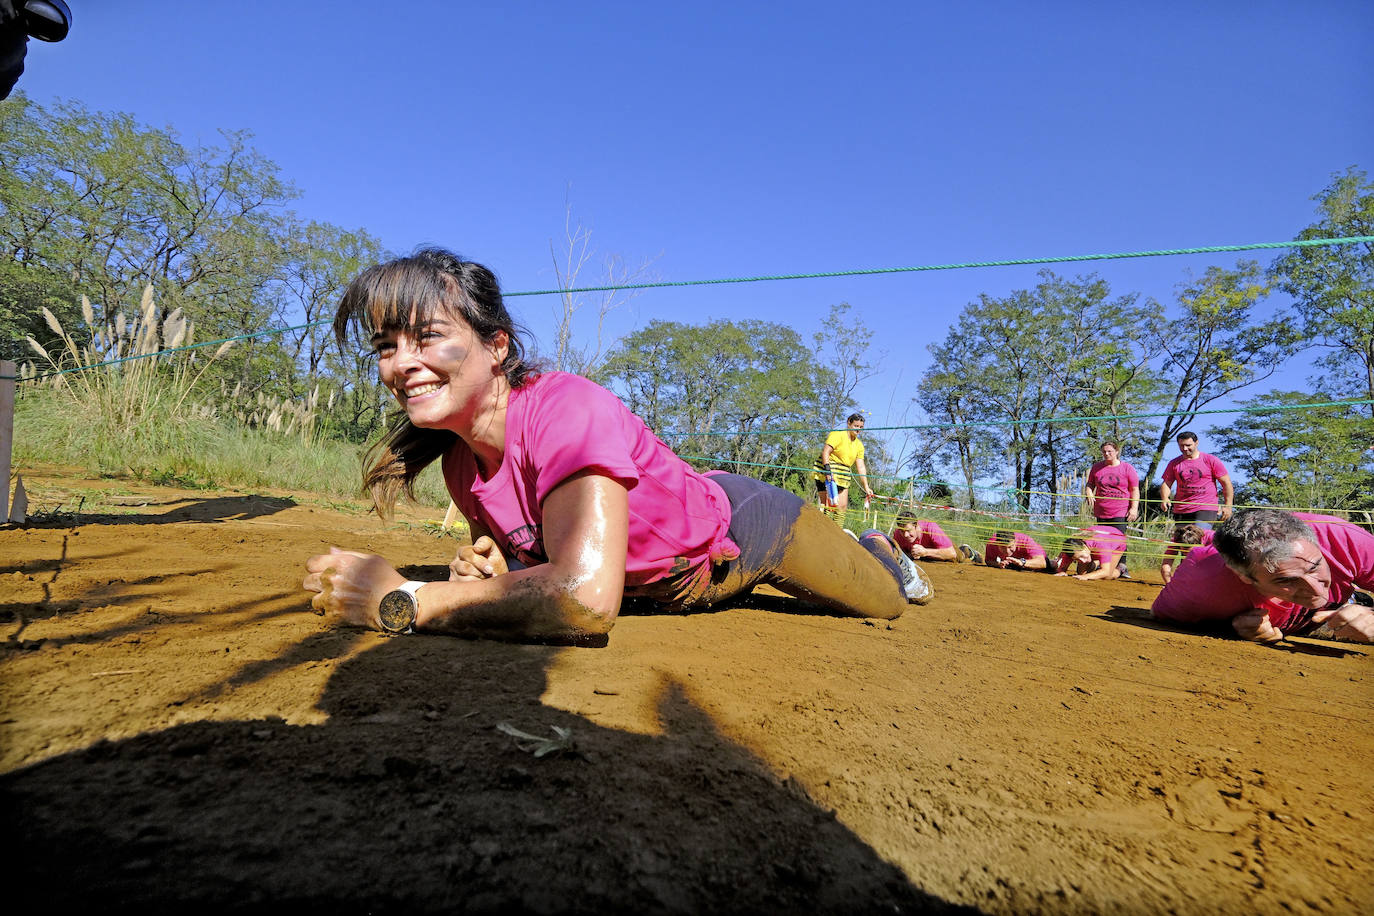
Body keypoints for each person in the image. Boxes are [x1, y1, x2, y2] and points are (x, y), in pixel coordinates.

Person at [302, 249, 933, 643]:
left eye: (428, 338)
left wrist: (405, 600)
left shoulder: (566, 410)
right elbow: (538, 563)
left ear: (497, 346)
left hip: (745, 533)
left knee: (884, 605)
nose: (401, 364)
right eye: (386, 347)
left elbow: (580, 597)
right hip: (658, 580)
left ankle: (877, 549)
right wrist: (496, 570)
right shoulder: (460, 461)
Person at [1152, 509, 1374, 644]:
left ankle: (1357, 600)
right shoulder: (1201, 584)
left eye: (1315, 566)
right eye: (1285, 580)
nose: (1316, 590)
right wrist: (1230, 626)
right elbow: (1157, 612)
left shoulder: (1345, 538)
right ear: (1244, 577)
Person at [1083, 440, 1139, 576]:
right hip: (1101, 510)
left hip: (1120, 510)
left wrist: (1134, 508)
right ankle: (1102, 565)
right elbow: (1090, 484)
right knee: (1102, 539)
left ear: (1117, 452)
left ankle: (1122, 566)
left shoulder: (1127, 468)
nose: (1107, 454)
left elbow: (1135, 489)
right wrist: (1089, 493)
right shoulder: (1097, 467)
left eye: (1110, 451)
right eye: (1104, 452)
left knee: (1119, 538)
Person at [1159, 431, 1233, 526]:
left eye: (1188, 445)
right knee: (1182, 540)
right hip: (1181, 509)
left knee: (1198, 536)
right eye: (1181, 446)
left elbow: (1226, 483)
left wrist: (1228, 506)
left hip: (1206, 507)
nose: (1185, 449)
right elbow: (1166, 484)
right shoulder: (1174, 463)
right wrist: (1165, 498)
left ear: (1196, 443)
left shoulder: (1210, 460)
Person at [812, 413, 876, 519]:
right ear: (849, 423)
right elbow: (826, 452)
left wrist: (866, 486)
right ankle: (822, 532)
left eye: (861, 427)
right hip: (828, 470)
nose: (858, 429)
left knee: (842, 508)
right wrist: (828, 471)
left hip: (843, 475)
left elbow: (861, 467)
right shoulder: (837, 435)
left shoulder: (859, 445)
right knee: (829, 506)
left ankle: (836, 533)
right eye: (856, 426)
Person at [891, 511, 973, 563]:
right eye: (902, 531)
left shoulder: (930, 527)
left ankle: (968, 551)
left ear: (916, 526)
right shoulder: (897, 534)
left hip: (945, 550)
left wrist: (925, 552)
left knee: (961, 557)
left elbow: (952, 553)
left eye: (909, 531)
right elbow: (898, 553)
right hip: (928, 558)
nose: (905, 535)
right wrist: (910, 554)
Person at [1053, 525, 1127, 580]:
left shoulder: (1101, 545)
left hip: (1117, 542)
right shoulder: (1072, 548)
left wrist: (1086, 577)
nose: (1082, 561)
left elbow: (1106, 571)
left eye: (1082, 556)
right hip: (1096, 543)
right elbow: (1061, 568)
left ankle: (1121, 569)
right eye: (1077, 559)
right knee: (1081, 573)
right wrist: (1061, 571)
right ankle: (1098, 563)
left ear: (1084, 546)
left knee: (1107, 576)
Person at [984, 530, 1048, 571]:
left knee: (1052, 566)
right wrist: (998, 564)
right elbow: (989, 561)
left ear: (1015, 542)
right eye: (1003, 547)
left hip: (1034, 562)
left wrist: (1021, 562)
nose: (1007, 551)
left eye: (1010, 547)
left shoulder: (1025, 541)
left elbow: (1042, 563)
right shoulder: (992, 543)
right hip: (1013, 565)